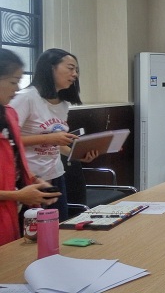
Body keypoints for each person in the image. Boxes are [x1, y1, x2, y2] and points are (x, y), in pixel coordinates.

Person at [11, 49, 98, 222]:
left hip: (55, 175)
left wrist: (76, 155)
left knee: (56, 226)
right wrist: (48, 138)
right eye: (70, 68)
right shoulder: (26, 98)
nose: (75, 74)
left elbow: (57, 143)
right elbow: (9, 141)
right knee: (30, 231)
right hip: (28, 178)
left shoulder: (63, 104)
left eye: (77, 70)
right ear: (51, 68)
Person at [0, 48, 60, 245]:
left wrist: (34, 180)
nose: (17, 88)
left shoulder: (9, 114)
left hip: (11, 214)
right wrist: (17, 195)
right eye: (13, 82)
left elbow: (14, 161)